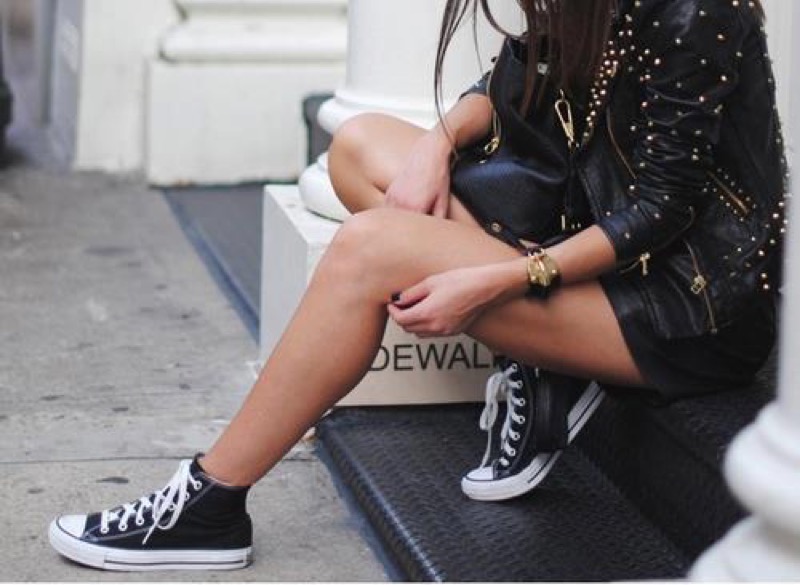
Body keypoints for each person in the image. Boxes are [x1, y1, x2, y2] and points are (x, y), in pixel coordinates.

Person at [48, 0, 785, 572]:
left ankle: (211, 501)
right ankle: (545, 358)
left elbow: (663, 208)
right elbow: (515, 77)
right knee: (359, 148)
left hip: (682, 308)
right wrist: (437, 142)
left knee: (369, 249)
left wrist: (503, 278)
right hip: (591, 240)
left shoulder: (695, 8)